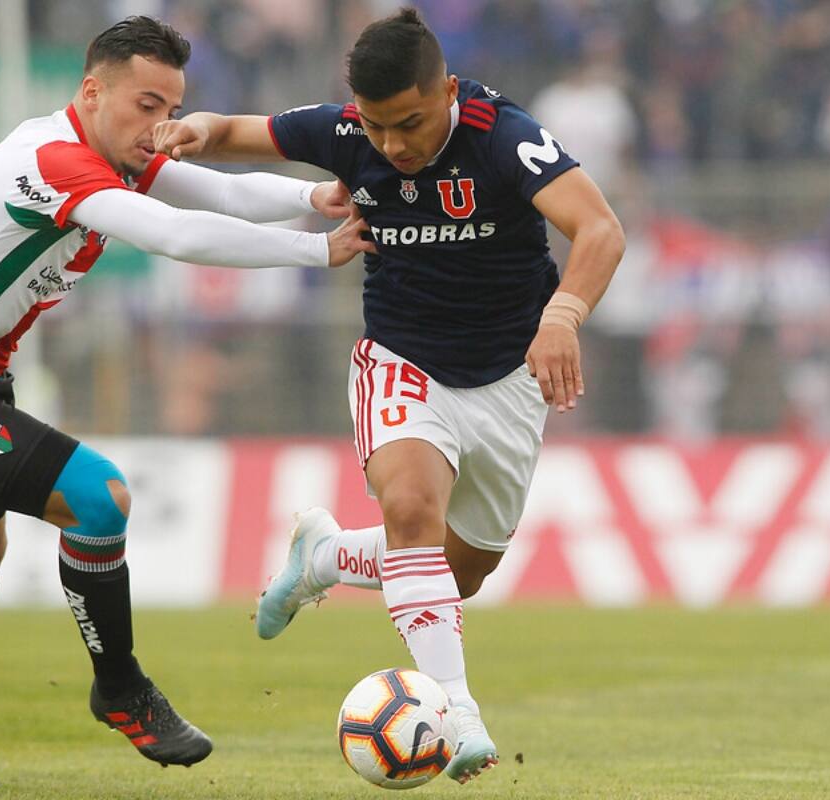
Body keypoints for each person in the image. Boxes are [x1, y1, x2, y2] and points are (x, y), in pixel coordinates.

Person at [0, 16, 373, 789]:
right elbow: (174, 236)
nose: (158, 127)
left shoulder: (113, 153)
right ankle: (121, 688)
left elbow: (224, 192)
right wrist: (315, 248)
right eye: (145, 105)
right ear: (92, 92)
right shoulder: (56, 161)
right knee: (100, 497)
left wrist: (316, 196)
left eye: (172, 109)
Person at [154, 7, 624, 784]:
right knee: (409, 509)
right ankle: (457, 711)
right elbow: (238, 130)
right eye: (376, 127)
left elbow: (600, 228)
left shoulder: (503, 136)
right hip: (402, 359)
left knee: (459, 572)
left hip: (508, 377)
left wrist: (563, 316)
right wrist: (196, 128)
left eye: (409, 123)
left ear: (447, 90)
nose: (393, 145)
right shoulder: (344, 134)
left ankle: (326, 555)